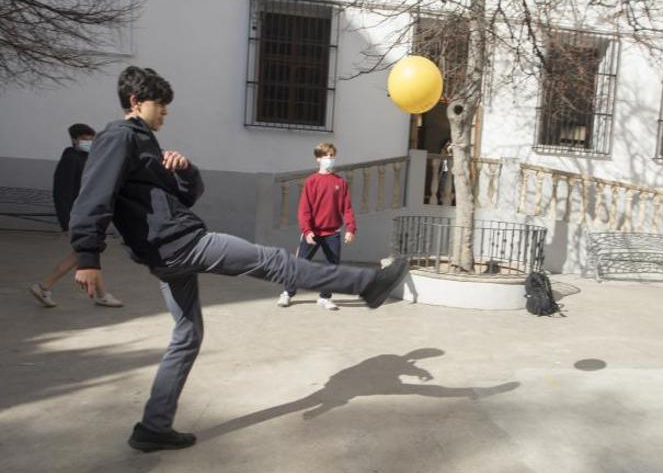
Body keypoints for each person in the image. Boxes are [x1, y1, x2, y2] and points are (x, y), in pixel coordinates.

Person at [68, 66, 408, 452]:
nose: (165, 113)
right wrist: (87, 255)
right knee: (275, 261)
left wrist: (186, 170)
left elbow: (181, 198)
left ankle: (153, 427)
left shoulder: (146, 144)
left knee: (187, 335)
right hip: (180, 245)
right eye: (159, 105)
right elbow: (93, 195)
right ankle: (367, 285)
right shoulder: (118, 136)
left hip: (169, 249)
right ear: (135, 102)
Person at [29, 123, 123, 308]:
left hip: (88, 216)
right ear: (75, 140)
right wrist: (67, 221)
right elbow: (62, 193)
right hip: (79, 218)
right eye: (86, 139)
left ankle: (101, 294)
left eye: (91, 138)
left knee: (89, 253)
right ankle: (44, 286)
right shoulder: (71, 160)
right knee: (85, 253)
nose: (90, 142)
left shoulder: (86, 158)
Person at [277, 143, 355, 310]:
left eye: (333, 156)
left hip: (333, 233)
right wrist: (307, 230)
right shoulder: (311, 181)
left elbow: (347, 208)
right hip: (312, 232)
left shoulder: (340, 183)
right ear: (318, 159)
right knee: (300, 264)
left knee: (332, 267)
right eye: (327, 156)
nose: (331, 159)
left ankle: (325, 297)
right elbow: (304, 209)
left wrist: (350, 228)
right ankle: (287, 293)